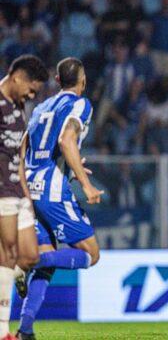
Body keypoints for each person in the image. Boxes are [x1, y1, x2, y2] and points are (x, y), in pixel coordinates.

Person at [16, 57, 104, 340]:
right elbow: (67, 141)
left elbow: (25, 146)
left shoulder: (41, 106)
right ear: (83, 81)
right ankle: (25, 262)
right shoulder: (80, 103)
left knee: (49, 258)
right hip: (52, 193)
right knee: (91, 254)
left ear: (56, 80)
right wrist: (87, 185)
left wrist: (72, 169)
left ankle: (25, 330)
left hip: (29, 188)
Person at [0, 55, 48, 340]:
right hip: (1, 190)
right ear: (17, 76)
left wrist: (28, 197)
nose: (32, 95)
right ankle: (2, 330)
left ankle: (5, 278)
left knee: (29, 256)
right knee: (6, 255)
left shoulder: (18, 106)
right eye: (31, 89)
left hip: (19, 190)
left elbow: (19, 154)